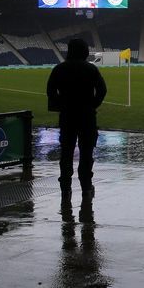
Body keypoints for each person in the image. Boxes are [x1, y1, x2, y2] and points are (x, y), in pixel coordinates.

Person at [47, 38, 107, 193]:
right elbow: (102, 89)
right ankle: (86, 184)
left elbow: (50, 91)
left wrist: (60, 106)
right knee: (86, 152)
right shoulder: (90, 69)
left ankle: (65, 186)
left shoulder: (59, 69)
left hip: (67, 117)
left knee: (66, 152)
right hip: (87, 117)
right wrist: (93, 105)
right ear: (85, 51)